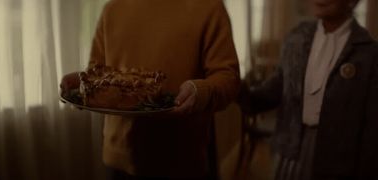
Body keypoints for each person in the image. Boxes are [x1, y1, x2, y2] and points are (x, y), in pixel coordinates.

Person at [60, 0, 240, 179]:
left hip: (182, 159)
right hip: (119, 158)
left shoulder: (209, 7)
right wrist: (81, 83)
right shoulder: (112, 9)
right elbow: (98, 71)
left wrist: (200, 91)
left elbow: (228, 78)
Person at [239, 0, 378, 179]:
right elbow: (276, 89)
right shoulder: (297, 37)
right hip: (289, 152)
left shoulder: (368, 53)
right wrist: (242, 92)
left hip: (338, 160)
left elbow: (372, 129)